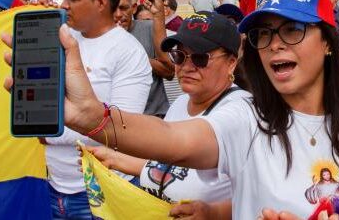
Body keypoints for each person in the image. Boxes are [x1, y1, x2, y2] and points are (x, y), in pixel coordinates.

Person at [2, 0, 339, 219]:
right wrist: (94, 117)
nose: (275, 45)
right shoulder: (247, 118)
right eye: (265, 34)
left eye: (292, 30)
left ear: (329, 43)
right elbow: (173, 141)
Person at [85, 12, 248, 219]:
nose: (187, 67)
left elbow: (260, 195)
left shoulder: (241, 110)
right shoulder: (180, 104)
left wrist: (213, 213)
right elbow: (169, 171)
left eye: (200, 58)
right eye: (179, 56)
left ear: (231, 63)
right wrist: (114, 159)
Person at [41, 0, 153, 219]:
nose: (63, 5)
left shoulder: (127, 52)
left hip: (101, 193)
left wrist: (49, 132)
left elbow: (120, 130)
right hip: (54, 188)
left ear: (100, 1)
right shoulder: (60, 37)